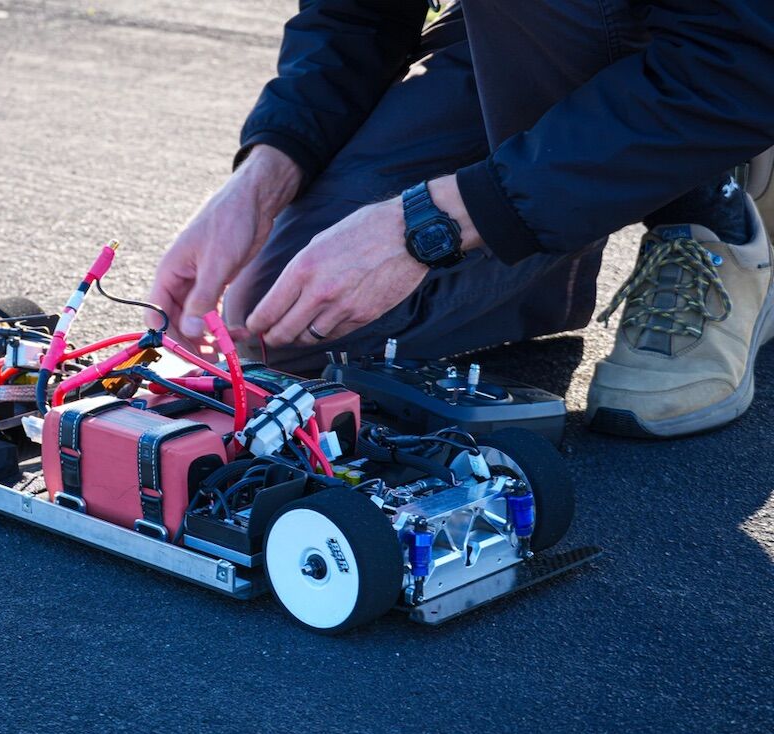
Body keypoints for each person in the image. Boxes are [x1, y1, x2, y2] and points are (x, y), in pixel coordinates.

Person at [147, 0, 774, 438]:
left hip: (730, 47)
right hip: (514, 32)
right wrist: (262, 179)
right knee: (284, 322)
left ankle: (706, 204)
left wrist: (428, 227)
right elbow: (355, 14)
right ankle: (599, 173)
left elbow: (743, 58)